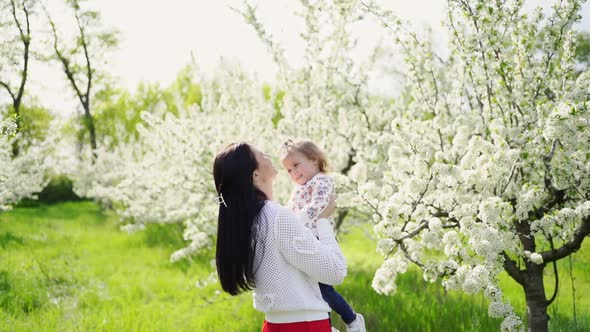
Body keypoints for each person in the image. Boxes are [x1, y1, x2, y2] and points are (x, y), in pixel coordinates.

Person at [214, 142, 347, 332]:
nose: (269, 155)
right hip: (306, 325)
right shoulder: (276, 216)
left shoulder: (247, 220)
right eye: (262, 154)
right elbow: (335, 272)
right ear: (255, 174)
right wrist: (323, 220)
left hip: (274, 324)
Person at [280, 139, 366, 332]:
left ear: (313, 159)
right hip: (304, 241)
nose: (293, 173)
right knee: (313, 290)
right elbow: (289, 210)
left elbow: (319, 206)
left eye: (296, 165)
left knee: (323, 289)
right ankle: (326, 326)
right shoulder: (297, 188)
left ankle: (352, 319)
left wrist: (296, 220)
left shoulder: (322, 180)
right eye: (288, 170)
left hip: (319, 240)